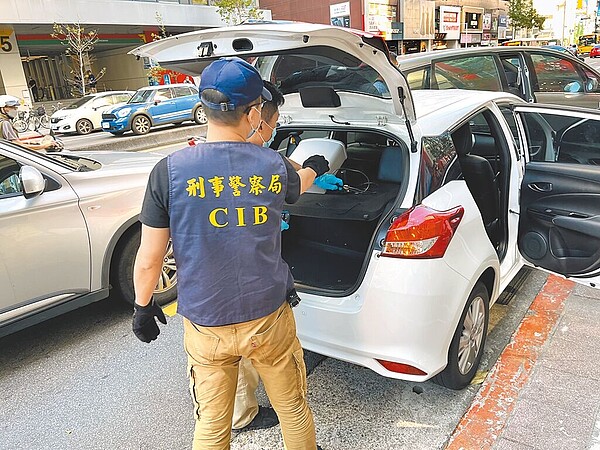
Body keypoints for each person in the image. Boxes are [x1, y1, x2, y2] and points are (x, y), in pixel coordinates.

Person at [132, 57, 328, 449]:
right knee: (292, 408)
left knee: (212, 423)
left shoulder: (168, 171)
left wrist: (142, 307)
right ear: (255, 112)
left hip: (206, 321)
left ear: (203, 107)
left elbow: (150, 257)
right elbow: (300, 185)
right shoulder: (272, 163)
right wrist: (315, 167)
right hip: (268, 317)